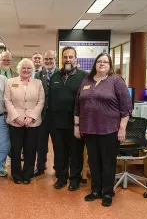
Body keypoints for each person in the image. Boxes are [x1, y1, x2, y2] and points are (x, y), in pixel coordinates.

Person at [74, 52, 132, 207]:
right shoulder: (86, 80)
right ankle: (95, 190)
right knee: (93, 162)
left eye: (105, 62)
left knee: (107, 162)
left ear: (110, 65)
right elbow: (77, 105)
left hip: (109, 130)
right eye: (99, 61)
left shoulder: (116, 81)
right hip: (89, 129)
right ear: (95, 64)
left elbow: (126, 107)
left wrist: (122, 128)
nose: (101, 64)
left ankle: (107, 192)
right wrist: (76, 126)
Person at [48, 46, 87, 191]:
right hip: (57, 123)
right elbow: (50, 98)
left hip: (75, 124)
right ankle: (61, 177)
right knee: (59, 153)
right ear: (61, 59)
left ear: (76, 59)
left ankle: (75, 179)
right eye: (65, 57)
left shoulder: (84, 76)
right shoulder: (55, 76)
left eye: (70, 57)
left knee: (76, 153)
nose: (68, 59)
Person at [4, 58, 44, 184]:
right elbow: (7, 100)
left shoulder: (38, 83)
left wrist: (32, 117)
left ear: (32, 70)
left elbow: (41, 101)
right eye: (23, 68)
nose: (26, 70)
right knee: (16, 149)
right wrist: (16, 117)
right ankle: (16, 175)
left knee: (30, 149)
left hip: (33, 122)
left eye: (29, 68)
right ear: (19, 69)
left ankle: (27, 174)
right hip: (15, 122)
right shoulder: (10, 82)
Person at [33, 50, 59, 177]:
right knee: (40, 143)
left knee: (57, 143)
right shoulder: (38, 75)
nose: (48, 61)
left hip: (56, 116)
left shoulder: (61, 73)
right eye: (46, 59)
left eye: (51, 59)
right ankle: (40, 167)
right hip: (42, 115)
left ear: (55, 59)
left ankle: (58, 167)